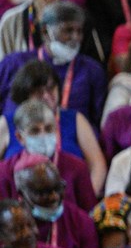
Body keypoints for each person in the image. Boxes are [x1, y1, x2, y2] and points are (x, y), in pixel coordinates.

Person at [1, 60, 106, 197]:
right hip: (19, 203)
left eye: (51, 89)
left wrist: (85, 196)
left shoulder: (75, 119)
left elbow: (98, 165)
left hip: (69, 202)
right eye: (39, 92)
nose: (46, 96)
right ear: (25, 94)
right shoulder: (7, 122)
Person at [0, 1, 105, 129]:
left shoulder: (92, 70)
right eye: (68, 30)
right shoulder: (13, 63)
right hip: (17, 138)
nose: (76, 38)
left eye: (79, 31)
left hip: (71, 142)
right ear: (45, 31)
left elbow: (97, 121)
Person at [0, 100, 96, 212]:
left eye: (48, 129)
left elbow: (90, 214)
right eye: (34, 131)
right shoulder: (4, 172)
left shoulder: (77, 167)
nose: (43, 136)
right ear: (19, 137)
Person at [15, 157, 97, 248]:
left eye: (58, 188)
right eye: (43, 193)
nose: (54, 197)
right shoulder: (11, 223)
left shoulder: (81, 221)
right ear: (21, 194)